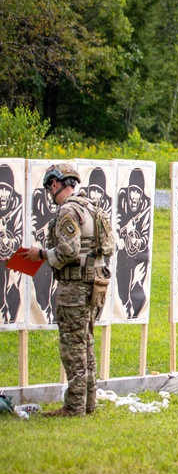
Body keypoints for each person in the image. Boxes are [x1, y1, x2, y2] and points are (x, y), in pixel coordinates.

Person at [25, 164, 112, 416]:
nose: (49, 194)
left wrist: (39, 254)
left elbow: (69, 251)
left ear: (55, 184)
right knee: (86, 344)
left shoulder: (68, 211)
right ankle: (88, 403)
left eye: (49, 188)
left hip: (75, 287)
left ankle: (74, 407)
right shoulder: (91, 207)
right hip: (95, 284)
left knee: (73, 347)